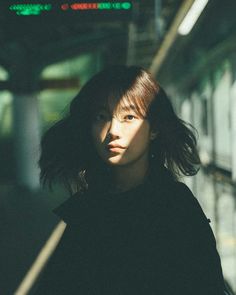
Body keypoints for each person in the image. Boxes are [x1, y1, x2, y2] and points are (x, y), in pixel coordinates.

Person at [35, 65, 226, 294]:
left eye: (129, 117)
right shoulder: (82, 211)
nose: (113, 130)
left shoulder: (177, 209)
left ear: (153, 128)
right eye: (101, 116)